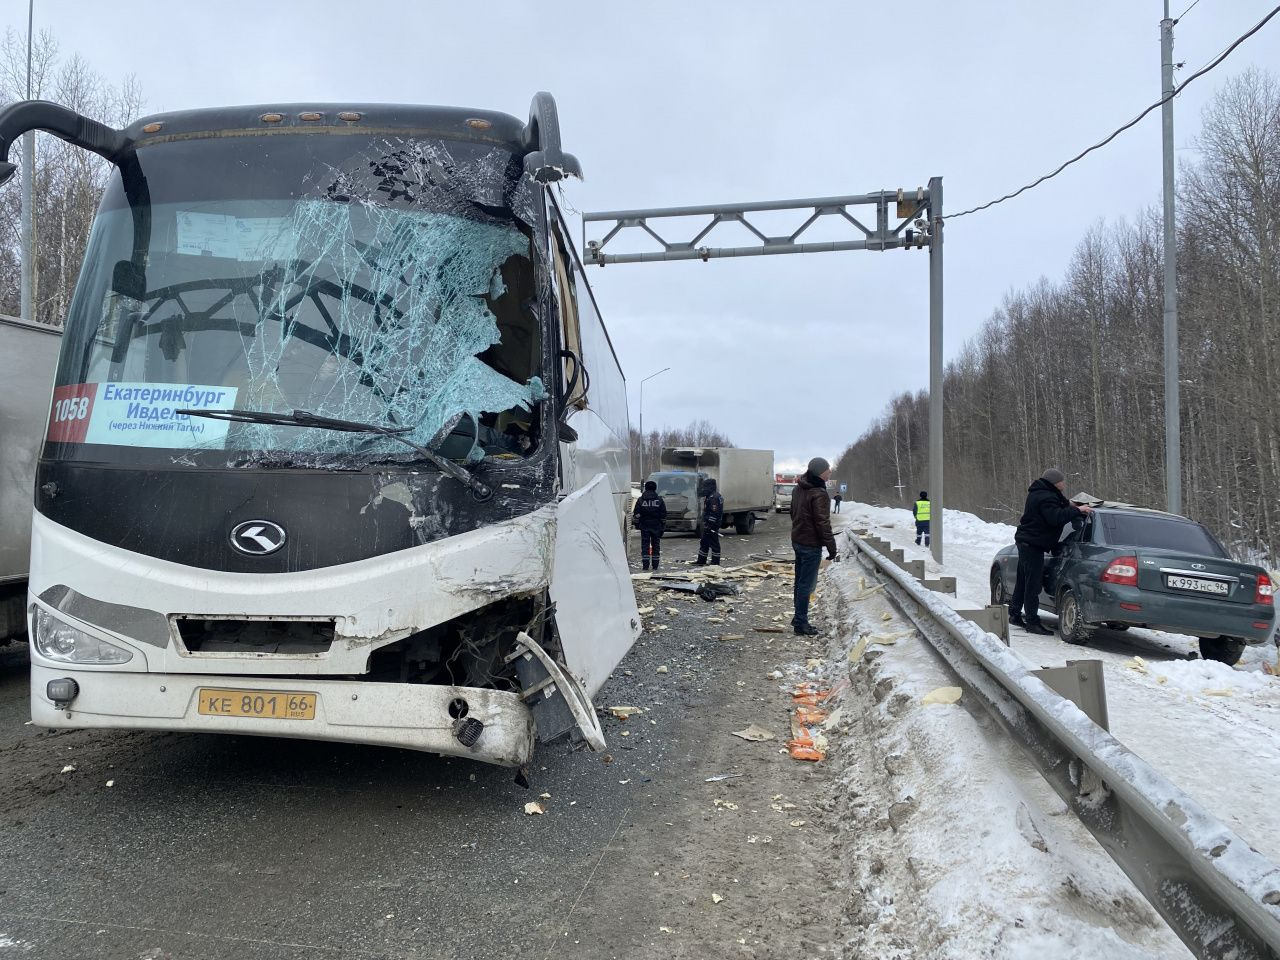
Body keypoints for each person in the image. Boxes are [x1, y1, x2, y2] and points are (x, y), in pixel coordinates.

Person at [1009, 468, 1093, 635]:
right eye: (1062, 481)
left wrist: (1071, 505)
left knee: (1023, 581)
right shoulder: (1046, 496)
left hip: (1027, 541)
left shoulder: (1042, 492)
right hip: (1033, 544)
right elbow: (1055, 517)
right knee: (1032, 584)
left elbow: (1058, 504)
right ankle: (1032, 622)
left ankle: (1014, 614)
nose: (1064, 483)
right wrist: (1077, 511)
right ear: (1056, 482)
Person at [790, 457, 839, 636]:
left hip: (798, 540)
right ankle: (801, 624)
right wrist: (832, 548)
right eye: (828, 469)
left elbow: (792, 513)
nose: (830, 472)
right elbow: (822, 523)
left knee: (799, 581)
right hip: (810, 545)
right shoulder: (819, 493)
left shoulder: (798, 488)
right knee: (806, 584)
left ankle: (798, 617)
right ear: (820, 472)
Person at [632, 480, 667, 571]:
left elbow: (636, 514)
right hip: (656, 525)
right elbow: (663, 514)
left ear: (645, 488)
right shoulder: (659, 500)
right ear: (655, 488)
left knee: (645, 545)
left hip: (645, 525)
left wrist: (637, 524)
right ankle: (655, 566)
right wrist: (662, 526)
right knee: (656, 545)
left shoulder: (641, 500)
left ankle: (645, 566)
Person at [695, 477, 724, 566]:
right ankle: (701, 560)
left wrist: (709, 525)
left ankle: (715, 562)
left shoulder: (714, 498)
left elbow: (714, 513)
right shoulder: (711, 496)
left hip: (712, 525)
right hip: (709, 524)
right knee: (704, 542)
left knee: (714, 543)